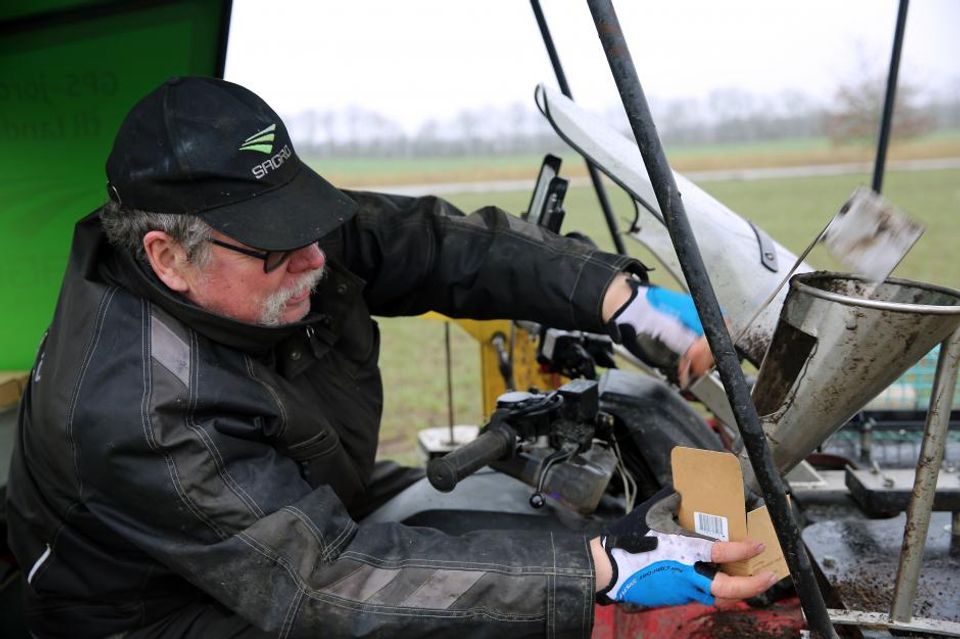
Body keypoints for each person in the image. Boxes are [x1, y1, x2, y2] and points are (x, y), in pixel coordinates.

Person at [6, 77, 775, 638]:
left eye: (305, 218)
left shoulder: (252, 235)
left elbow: (429, 242)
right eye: (279, 246)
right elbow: (326, 581)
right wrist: (600, 571)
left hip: (303, 493)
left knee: (522, 533)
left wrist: (614, 297)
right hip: (158, 609)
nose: (316, 255)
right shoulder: (143, 410)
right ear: (167, 256)